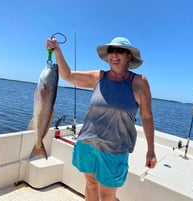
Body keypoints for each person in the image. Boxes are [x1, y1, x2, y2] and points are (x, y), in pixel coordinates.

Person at [46, 36, 157, 201]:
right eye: (111, 51)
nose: (114, 54)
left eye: (120, 51)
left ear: (129, 56)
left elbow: (147, 117)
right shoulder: (98, 77)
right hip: (88, 143)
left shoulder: (139, 82)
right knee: (90, 184)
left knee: (107, 196)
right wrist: (57, 51)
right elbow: (68, 75)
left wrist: (150, 150)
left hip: (115, 148)